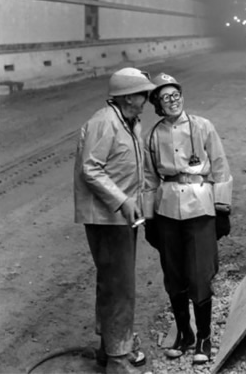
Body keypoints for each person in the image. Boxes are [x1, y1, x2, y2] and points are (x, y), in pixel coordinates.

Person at [143, 72, 232, 365]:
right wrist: (149, 219)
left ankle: (204, 337)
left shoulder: (203, 126)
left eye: (176, 95)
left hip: (200, 206)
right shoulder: (154, 135)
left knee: (200, 272)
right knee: (174, 273)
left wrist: (222, 209)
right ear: (157, 103)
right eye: (165, 98)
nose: (172, 102)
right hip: (167, 208)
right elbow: (148, 179)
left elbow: (219, 167)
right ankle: (185, 334)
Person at [73, 67, 156, 374]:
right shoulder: (104, 123)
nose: (145, 99)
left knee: (113, 282)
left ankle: (108, 351)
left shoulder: (130, 121)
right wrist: (122, 201)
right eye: (140, 94)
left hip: (121, 214)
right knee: (120, 286)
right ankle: (119, 361)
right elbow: (91, 170)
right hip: (106, 217)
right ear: (125, 97)